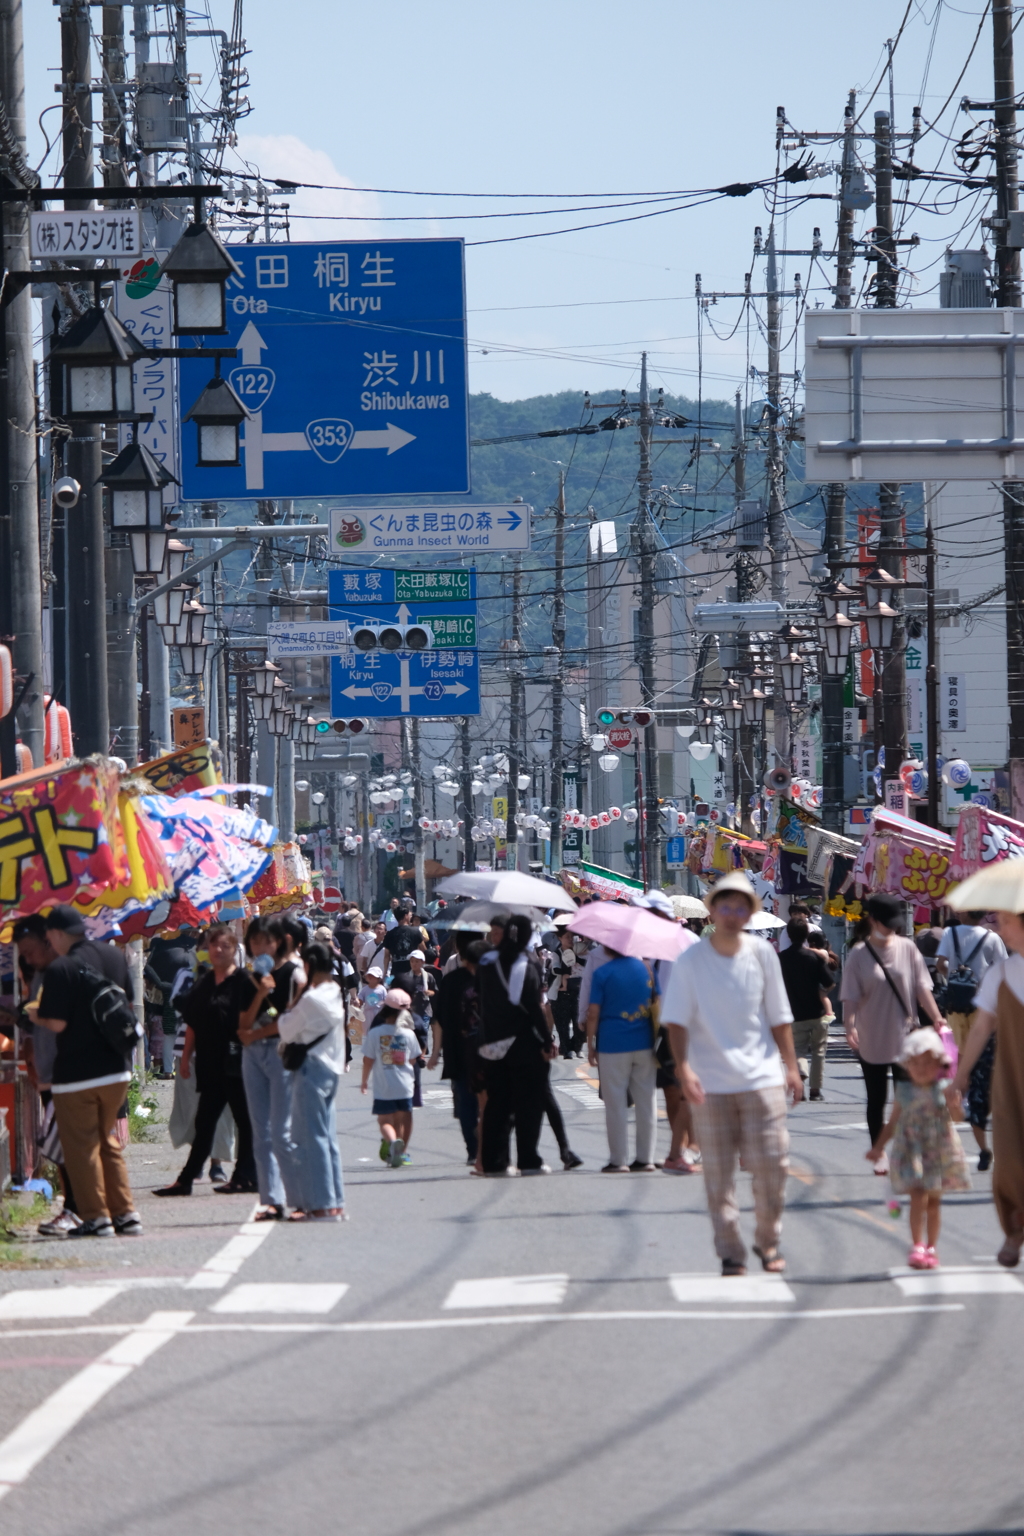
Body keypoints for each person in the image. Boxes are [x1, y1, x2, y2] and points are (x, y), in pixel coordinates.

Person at [661, 872, 802, 1276]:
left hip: (762, 1078)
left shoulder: (762, 955)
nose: (732, 914)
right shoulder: (691, 961)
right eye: (725, 905)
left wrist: (791, 1067)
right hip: (712, 1083)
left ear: (750, 913)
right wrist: (684, 1067)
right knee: (719, 1175)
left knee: (772, 1164)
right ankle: (730, 1251)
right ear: (712, 910)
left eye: (741, 907)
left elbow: (780, 1017)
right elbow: (676, 1021)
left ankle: (768, 1240)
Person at [35, 905, 142, 1238]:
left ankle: (96, 1217)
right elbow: (129, 998)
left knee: (81, 1148)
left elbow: (56, 1022)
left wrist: (32, 1015)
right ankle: (126, 1214)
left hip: (77, 1074)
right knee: (106, 1141)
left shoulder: (60, 968)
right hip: (117, 1070)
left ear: (54, 934)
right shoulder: (112, 957)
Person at [154, 923, 260, 1202]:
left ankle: (244, 1175)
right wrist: (186, 1058)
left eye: (225, 946)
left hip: (238, 1061)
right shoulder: (201, 982)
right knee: (205, 1122)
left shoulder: (246, 981)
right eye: (214, 945)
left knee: (244, 1122)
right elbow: (191, 1024)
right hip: (210, 1063)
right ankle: (188, 1179)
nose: (219, 950)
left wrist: (264, 1002)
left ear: (234, 950)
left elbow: (270, 1012)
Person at [840, 893, 945, 1169]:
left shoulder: (908, 949)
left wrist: (936, 1018)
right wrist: (849, 1027)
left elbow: (923, 988)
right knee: (876, 1098)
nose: (893, 928)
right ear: (873, 921)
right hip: (871, 1035)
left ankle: (907, 1152)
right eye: (887, 923)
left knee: (907, 1098)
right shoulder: (859, 955)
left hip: (904, 1036)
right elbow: (850, 996)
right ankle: (879, 1153)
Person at [954, 905, 1024, 1265]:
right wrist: (961, 1073)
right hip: (1012, 1078)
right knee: (1010, 1157)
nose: (1000, 925)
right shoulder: (1000, 973)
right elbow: (982, 1027)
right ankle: (1014, 1229)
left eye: (1008, 920)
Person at [867, 1027, 970, 1269]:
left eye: (928, 1062)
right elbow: (892, 1122)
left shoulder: (945, 1088)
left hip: (938, 1149)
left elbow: (957, 1118)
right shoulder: (903, 1090)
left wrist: (956, 1107)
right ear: (907, 1065)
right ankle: (917, 1245)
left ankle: (931, 1246)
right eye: (916, 1063)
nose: (921, 1068)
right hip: (912, 1150)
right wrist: (878, 1147)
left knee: (933, 1202)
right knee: (917, 1197)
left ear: (939, 1064)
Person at [12, 916, 80, 1235]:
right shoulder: (40, 972)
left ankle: (78, 1209)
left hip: (69, 1070)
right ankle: (76, 1207)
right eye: (21, 953)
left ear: (47, 940)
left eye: (29, 950)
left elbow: (60, 1019)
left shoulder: (62, 970)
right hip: (50, 1070)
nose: (26, 958)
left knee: (65, 1145)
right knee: (60, 1146)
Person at [478, 915, 555, 1175]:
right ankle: (528, 1158)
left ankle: (494, 1161)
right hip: (522, 1042)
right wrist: (546, 1039)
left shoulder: (487, 961)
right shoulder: (527, 962)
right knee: (528, 1103)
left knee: (497, 1103)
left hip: (492, 1039)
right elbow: (534, 1007)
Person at [237, 917, 304, 1214]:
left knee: (282, 1132)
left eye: (267, 941)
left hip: (281, 1054)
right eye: (255, 941)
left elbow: (289, 1022)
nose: (260, 947)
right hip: (252, 1056)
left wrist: (257, 1033)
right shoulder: (249, 978)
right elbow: (243, 1025)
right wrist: (261, 994)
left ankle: (300, 1198)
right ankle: (271, 1200)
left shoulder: (293, 974)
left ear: (280, 942)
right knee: (260, 1132)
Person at [278, 942, 347, 1220]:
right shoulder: (335, 991)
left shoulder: (310, 999)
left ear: (308, 966)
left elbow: (285, 1028)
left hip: (310, 1069)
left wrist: (294, 998)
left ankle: (320, 1205)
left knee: (309, 1138)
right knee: (327, 1138)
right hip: (331, 1068)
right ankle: (334, 1201)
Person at [584, 944, 659, 1173]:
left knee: (615, 1103)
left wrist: (590, 1043)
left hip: (612, 1043)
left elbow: (593, 1011)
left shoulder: (603, 973)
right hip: (645, 1042)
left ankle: (619, 1160)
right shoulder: (647, 968)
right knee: (647, 1101)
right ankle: (646, 1158)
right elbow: (658, 1000)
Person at [434, 935, 486, 1165]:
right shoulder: (492, 978)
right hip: (487, 1049)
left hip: (457, 1049)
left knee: (465, 1101)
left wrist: (436, 1052)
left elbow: (439, 1020)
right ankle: (486, 1147)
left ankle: (473, 1149)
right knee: (487, 1099)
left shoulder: (450, 980)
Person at [361, 988, 423, 1167]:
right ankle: (401, 1153)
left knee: (384, 1121)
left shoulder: (375, 1033)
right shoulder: (409, 1034)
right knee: (402, 1118)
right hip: (405, 1085)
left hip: (384, 1086)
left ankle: (393, 1141)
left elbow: (368, 1060)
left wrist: (364, 1081)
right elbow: (413, 1059)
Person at [778, 917, 835, 1101]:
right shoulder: (813, 957)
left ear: (788, 935)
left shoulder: (781, 959)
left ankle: (801, 1073)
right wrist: (821, 992)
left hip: (793, 1012)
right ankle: (815, 1091)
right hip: (817, 1012)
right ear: (805, 936)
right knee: (819, 1051)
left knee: (798, 1049)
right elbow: (830, 983)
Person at [936, 912, 1007, 1055]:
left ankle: (961, 1076)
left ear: (964, 913)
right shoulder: (992, 937)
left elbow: (940, 964)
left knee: (957, 1050)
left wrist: (952, 974)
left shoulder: (950, 932)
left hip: (955, 1002)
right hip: (982, 1003)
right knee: (981, 1048)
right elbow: (1003, 969)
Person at [382, 904, 420, 984]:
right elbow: (422, 950)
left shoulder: (390, 934)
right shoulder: (415, 932)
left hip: (396, 970)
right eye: (410, 914)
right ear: (405, 916)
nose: (411, 916)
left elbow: (387, 955)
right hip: (413, 970)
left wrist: (385, 972)